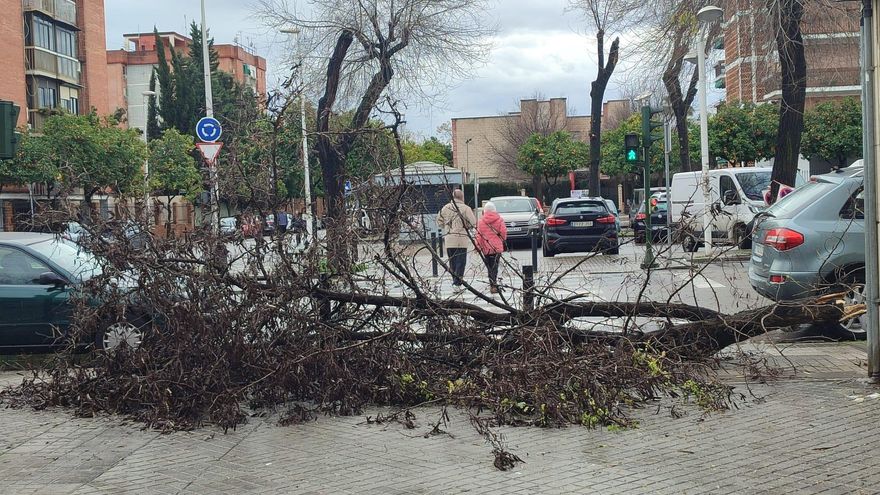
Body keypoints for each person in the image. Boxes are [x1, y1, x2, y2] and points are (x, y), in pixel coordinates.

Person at [437, 188, 476, 287]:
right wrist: (466, 226)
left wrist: (445, 226)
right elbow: (473, 222)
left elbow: (439, 221)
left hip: (449, 239)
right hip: (461, 239)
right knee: (461, 262)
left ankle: (454, 280)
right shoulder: (466, 208)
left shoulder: (445, 208)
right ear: (462, 197)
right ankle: (457, 282)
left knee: (452, 262)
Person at [475, 201, 507, 293]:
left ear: (484, 211)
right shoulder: (499, 220)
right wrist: (502, 239)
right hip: (496, 248)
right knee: (495, 267)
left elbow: (478, 235)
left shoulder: (481, 222)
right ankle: (494, 285)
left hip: (486, 248)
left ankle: (492, 284)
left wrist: (478, 246)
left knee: (489, 267)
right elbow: (503, 232)